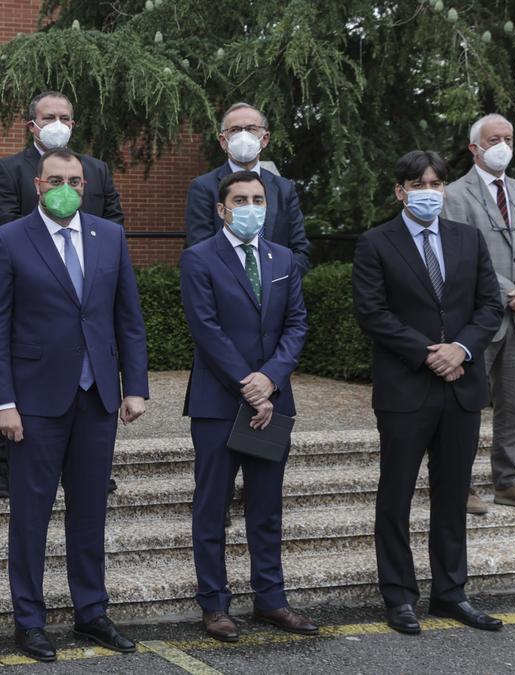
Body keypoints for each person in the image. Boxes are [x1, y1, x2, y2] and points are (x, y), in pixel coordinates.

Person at [0, 147, 148, 662]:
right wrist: (2, 402)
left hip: (98, 399)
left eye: (74, 179)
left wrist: (134, 386)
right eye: (55, 179)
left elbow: (128, 318)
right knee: (31, 515)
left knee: (90, 512)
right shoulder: (8, 240)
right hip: (34, 403)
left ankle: (91, 611)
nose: (65, 186)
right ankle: (29, 621)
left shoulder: (110, 236)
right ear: (38, 184)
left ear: (85, 185)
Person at [351, 150, 503, 635]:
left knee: (453, 492)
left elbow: (489, 306)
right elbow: (372, 313)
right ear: (400, 191)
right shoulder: (376, 243)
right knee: (395, 495)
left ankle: (450, 592)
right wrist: (427, 353)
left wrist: (460, 349)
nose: (429, 193)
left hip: (462, 386)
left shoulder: (468, 239)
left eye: (436, 185)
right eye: (419, 185)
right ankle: (398, 596)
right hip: (406, 389)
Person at [179, 171, 316, 642]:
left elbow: (296, 325)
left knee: (266, 506)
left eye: (258, 199)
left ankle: (271, 600)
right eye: (241, 199)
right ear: (222, 208)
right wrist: (248, 384)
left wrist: (270, 381)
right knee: (212, 506)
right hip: (218, 403)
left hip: (273, 401)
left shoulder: (282, 259)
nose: (251, 206)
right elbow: (206, 328)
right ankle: (214, 605)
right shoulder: (199, 258)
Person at [0, 90, 125, 498]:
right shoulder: (9, 169)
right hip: (34, 289)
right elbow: (4, 223)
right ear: (33, 124)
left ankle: (88, 467)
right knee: (22, 382)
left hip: (87, 284)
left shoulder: (95, 169)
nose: (58, 123)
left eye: (65, 116)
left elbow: (112, 219)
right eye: (49, 116)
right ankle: (1, 464)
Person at [440, 114, 515, 514]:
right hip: (478, 320)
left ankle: (508, 482)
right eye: (494, 139)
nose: (503, 144)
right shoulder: (453, 195)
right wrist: (509, 291)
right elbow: (463, 255)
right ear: (475, 148)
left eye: (508, 137)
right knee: (466, 404)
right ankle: (459, 484)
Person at [184, 102, 311, 276]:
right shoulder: (203, 188)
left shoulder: (284, 189)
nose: (243, 136)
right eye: (235, 130)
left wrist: (276, 283)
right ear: (223, 141)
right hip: (225, 294)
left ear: (264, 139)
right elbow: (200, 250)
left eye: (251, 129)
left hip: (277, 294)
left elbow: (300, 250)